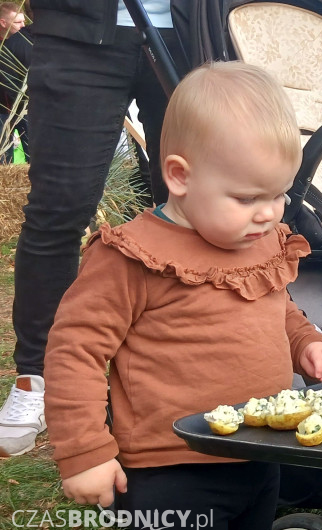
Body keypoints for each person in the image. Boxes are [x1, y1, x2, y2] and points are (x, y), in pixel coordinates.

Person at [43, 62, 322, 530]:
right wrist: (85, 451)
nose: (267, 213)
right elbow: (74, 352)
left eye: (280, 194)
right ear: (180, 177)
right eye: (246, 197)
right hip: (172, 470)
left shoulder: (259, 239)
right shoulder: (133, 257)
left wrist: (305, 341)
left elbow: (275, 304)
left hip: (261, 449)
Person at [1, 0, 187, 458]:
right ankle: (38, 378)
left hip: (192, 31)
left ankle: (184, 361)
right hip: (79, 32)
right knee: (58, 209)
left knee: (199, 206)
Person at [0, 1, 29, 163]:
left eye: (24, 21)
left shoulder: (27, 42)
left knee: (34, 154)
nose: (23, 26)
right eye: (18, 22)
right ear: (3, 23)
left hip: (25, 109)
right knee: (4, 159)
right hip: (2, 111)